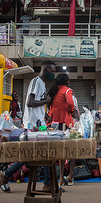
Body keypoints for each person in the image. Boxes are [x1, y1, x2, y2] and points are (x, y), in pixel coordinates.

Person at [22, 60, 56, 192]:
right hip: (32, 124)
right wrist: (46, 101)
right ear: (45, 70)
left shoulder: (42, 83)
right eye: (52, 72)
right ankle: (47, 183)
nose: (53, 75)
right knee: (38, 152)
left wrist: (45, 114)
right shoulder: (36, 81)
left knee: (42, 151)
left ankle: (48, 183)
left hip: (40, 123)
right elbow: (30, 102)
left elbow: (37, 103)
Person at [47, 73, 76, 188]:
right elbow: (70, 103)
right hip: (65, 123)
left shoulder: (53, 90)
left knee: (58, 151)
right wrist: (72, 111)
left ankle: (59, 179)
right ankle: (69, 176)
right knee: (72, 148)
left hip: (53, 123)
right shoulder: (67, 90)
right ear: (66, 81)